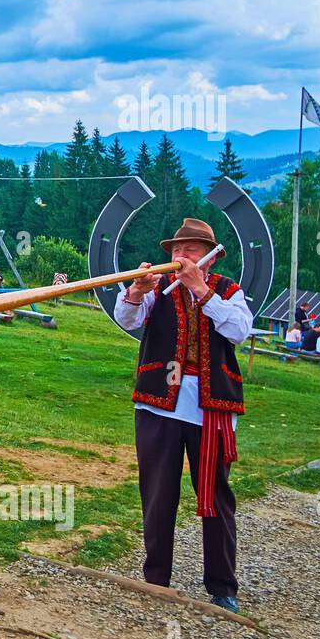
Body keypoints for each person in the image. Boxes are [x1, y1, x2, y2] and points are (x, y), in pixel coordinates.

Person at [113, 218, 252, 614]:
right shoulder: (157, 289)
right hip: (158, 404)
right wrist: (137, 292)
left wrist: (201, 291)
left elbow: (240, 330)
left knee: (216, 496)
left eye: (188, 250)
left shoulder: (227, 291)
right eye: (175, 250)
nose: (179, 256)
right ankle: (156, 578)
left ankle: (223, 585)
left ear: (207, 256)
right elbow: (127, 322)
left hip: (212, 410)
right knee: (158, 494)